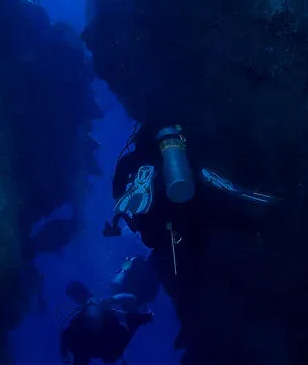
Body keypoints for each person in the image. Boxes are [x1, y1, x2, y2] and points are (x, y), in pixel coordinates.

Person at [104, 120, 276, 291]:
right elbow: (200, 171)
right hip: (190, 207)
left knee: (173, 253)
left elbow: (117, 194)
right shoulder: (177, 152)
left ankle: (197, 284)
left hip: (158, 223)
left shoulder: (129, 161)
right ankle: (262, 225)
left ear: (136, 140)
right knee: (215, 223)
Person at [58, 258, 157, 365]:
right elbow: (64, 339)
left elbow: (128, 304)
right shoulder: (89, 314)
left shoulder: (97, 309)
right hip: (94, 343)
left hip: (98, 343)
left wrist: (114, 302)